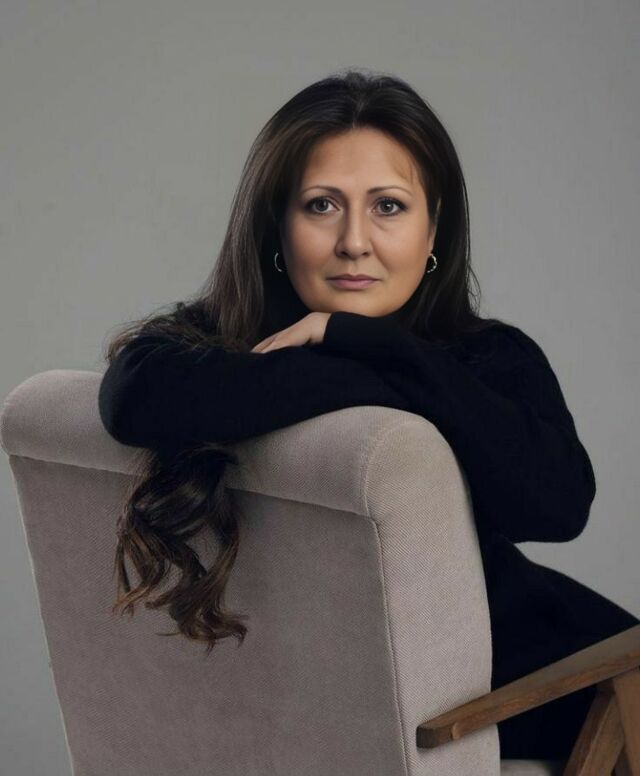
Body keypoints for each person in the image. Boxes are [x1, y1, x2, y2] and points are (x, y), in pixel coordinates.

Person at [98, 68, 639, 761]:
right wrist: (382, 361)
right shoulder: (204, 359)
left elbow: (557, 509)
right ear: (276, 227)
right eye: (322, 205)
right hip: (477, 696)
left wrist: (375, 343)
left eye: (388, 206)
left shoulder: (485, 357)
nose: (355, 241)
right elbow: (129, 397)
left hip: (558, 662)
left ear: (433, 229)